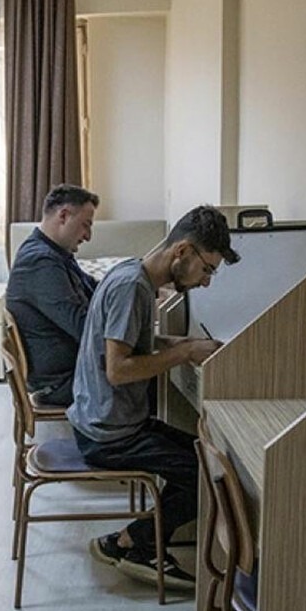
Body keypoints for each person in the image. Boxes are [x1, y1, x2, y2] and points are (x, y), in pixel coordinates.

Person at [68, 205, 240, 591]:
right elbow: (118, 369)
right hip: (108, 434)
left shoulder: (136, 276)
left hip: (111, 420)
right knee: (205, 475)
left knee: (201, 455)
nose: (206, 282)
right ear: (182, 252)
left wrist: (182, 343)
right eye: (207, 269)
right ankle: (133, 542)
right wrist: (184, 352)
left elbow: (133, 343)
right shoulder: (132, 288)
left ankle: (136, 542)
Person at [4, 183, 101, 407]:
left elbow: (93, 287)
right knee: (155, 377)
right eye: (86, 225)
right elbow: (83, 327)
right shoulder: (41, 262)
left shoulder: (55, 253)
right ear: (64, 216)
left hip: (69, 373)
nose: (88, 236)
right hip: (62, 383)